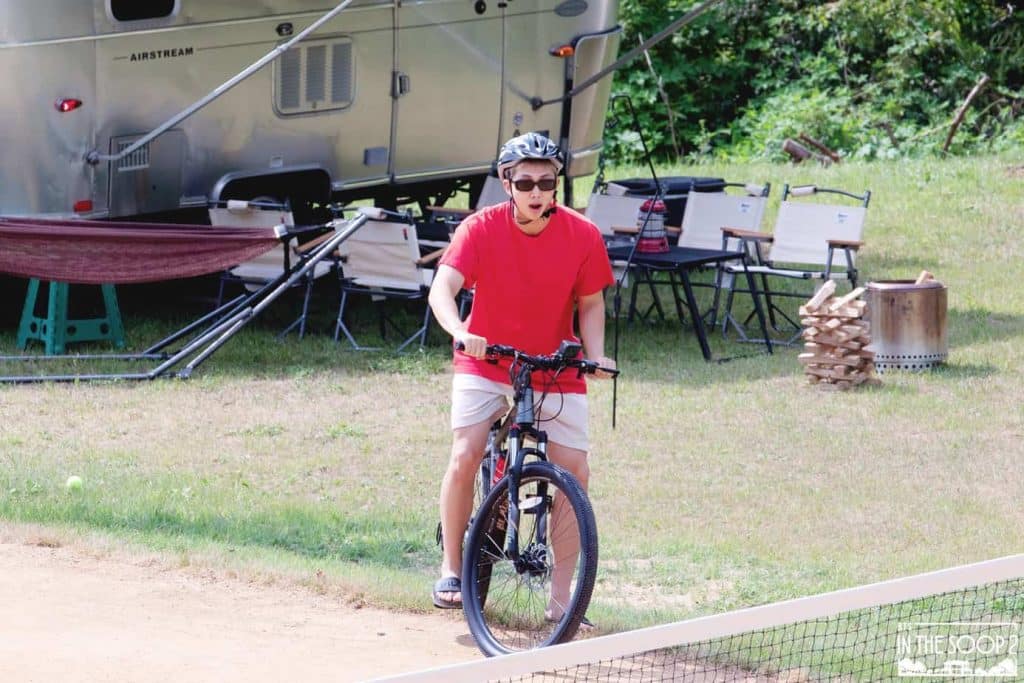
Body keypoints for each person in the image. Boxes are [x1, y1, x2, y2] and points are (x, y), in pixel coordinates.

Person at [427, 132, 616, 617]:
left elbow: (591, 302)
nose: (537, 192)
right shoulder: (479, 228)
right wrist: (460, 329)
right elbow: (442, 289)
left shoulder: (582, 234)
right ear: (507, 182)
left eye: (546, 183)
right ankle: (451, 567)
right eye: (526, 182)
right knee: (466, 450)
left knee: (575, 471)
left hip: (553, 365)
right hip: (487, 359)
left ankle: (563, 600)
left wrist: (596, 355)